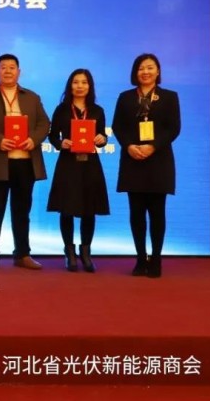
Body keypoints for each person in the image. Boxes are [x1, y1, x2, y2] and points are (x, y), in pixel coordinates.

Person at [0, 53, 50, 270]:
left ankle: (22, 254)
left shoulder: (32, 97)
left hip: (25, 162)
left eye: (12, 67)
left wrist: (33, 139)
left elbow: (44, 124)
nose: (8, 71)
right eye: (3, 67)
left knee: (22, 211)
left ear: (19, 72)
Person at [112, 53, 180, 278]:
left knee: (158, 212)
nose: (145, 72)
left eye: (150, 67)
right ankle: (141, 258)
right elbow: (118, 127)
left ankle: (156, 258)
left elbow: (174, 128)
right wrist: (129, 146)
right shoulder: (125, 97)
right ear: (135, 72)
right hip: (133, 160)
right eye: (141, 68)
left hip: (159, 160)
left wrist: (153, 146)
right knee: (136, 212)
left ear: (158, 71)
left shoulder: (169, 97)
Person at [46, 69, 110, 272]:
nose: (80, 86)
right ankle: (69, 252)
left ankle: (86, 251)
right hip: (68, 163)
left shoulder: (97, 110)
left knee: (89, 208)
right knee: (66, 208)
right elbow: (52, 136)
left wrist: (102, 139)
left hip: (90, 164)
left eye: (84, 82)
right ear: (70, 85)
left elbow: (102, 136)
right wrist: (61, 143)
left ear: (90, 86)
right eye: (76, 82)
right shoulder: (62, 109)